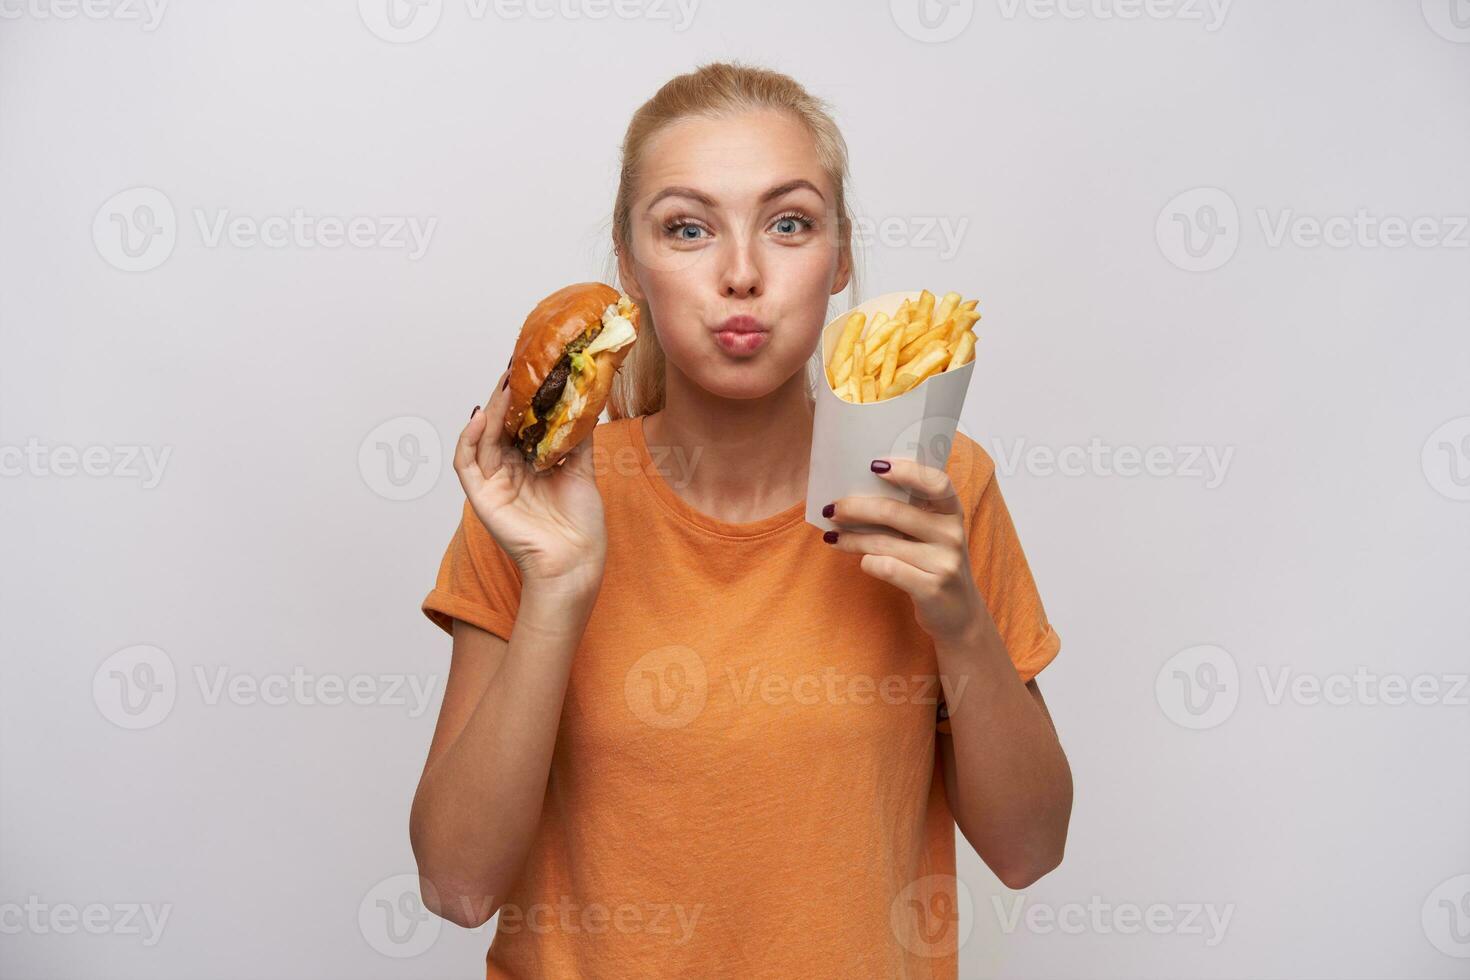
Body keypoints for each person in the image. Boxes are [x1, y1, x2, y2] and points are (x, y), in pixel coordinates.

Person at [410, 60, 1072, 979]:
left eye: (788, 223)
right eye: (688, 228)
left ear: (840, 256)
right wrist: (559, 589)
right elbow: (457, 886)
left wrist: (960, 625)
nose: (741, 273)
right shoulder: (539, 500)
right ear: (631, 264)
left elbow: (1030, 850)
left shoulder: (935, 484)